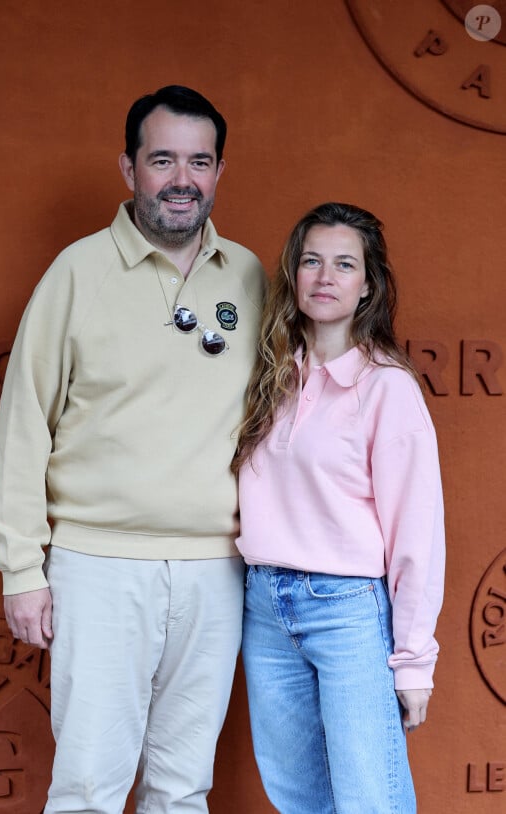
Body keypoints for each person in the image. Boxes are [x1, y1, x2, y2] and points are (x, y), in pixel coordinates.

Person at [0, 85, 265, 814]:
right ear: (128, 168)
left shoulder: (252, 277)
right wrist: (22, 569)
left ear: (218, 172)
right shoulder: (75, 274)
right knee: (86, 787)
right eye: (162, 159)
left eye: (199, 161)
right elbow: (23, 426)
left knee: (183, 790)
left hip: (217, 572)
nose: (182, 179)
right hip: (97, 568)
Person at [232, 202, 445, 814]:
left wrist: (413, 664)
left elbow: (417, 539)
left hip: (346, 611)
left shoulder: (387, 388)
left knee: (368, 799)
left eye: (344, 264)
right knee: (298, 798)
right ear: (294, 276)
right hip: (265, 607)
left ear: (367, 285)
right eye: (312, 261)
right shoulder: (270, 378)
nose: (325, 277)